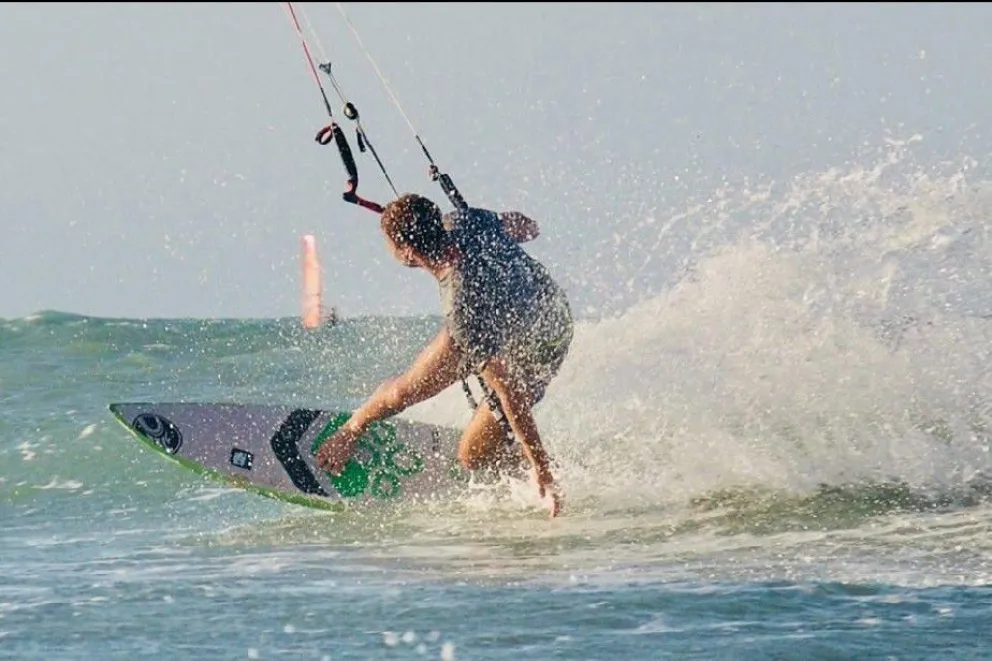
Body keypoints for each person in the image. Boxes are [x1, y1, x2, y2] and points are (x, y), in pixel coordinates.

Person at [314, 193, 574, 518]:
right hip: (549, 310)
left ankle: (544, 472)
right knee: (404, 390)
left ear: (407, 253)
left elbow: (511, 394)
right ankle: (352, 428)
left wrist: (542, 468)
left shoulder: (462, 309)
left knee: (471, 455)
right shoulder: (467, 220)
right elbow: (525, 226)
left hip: (538, 342)